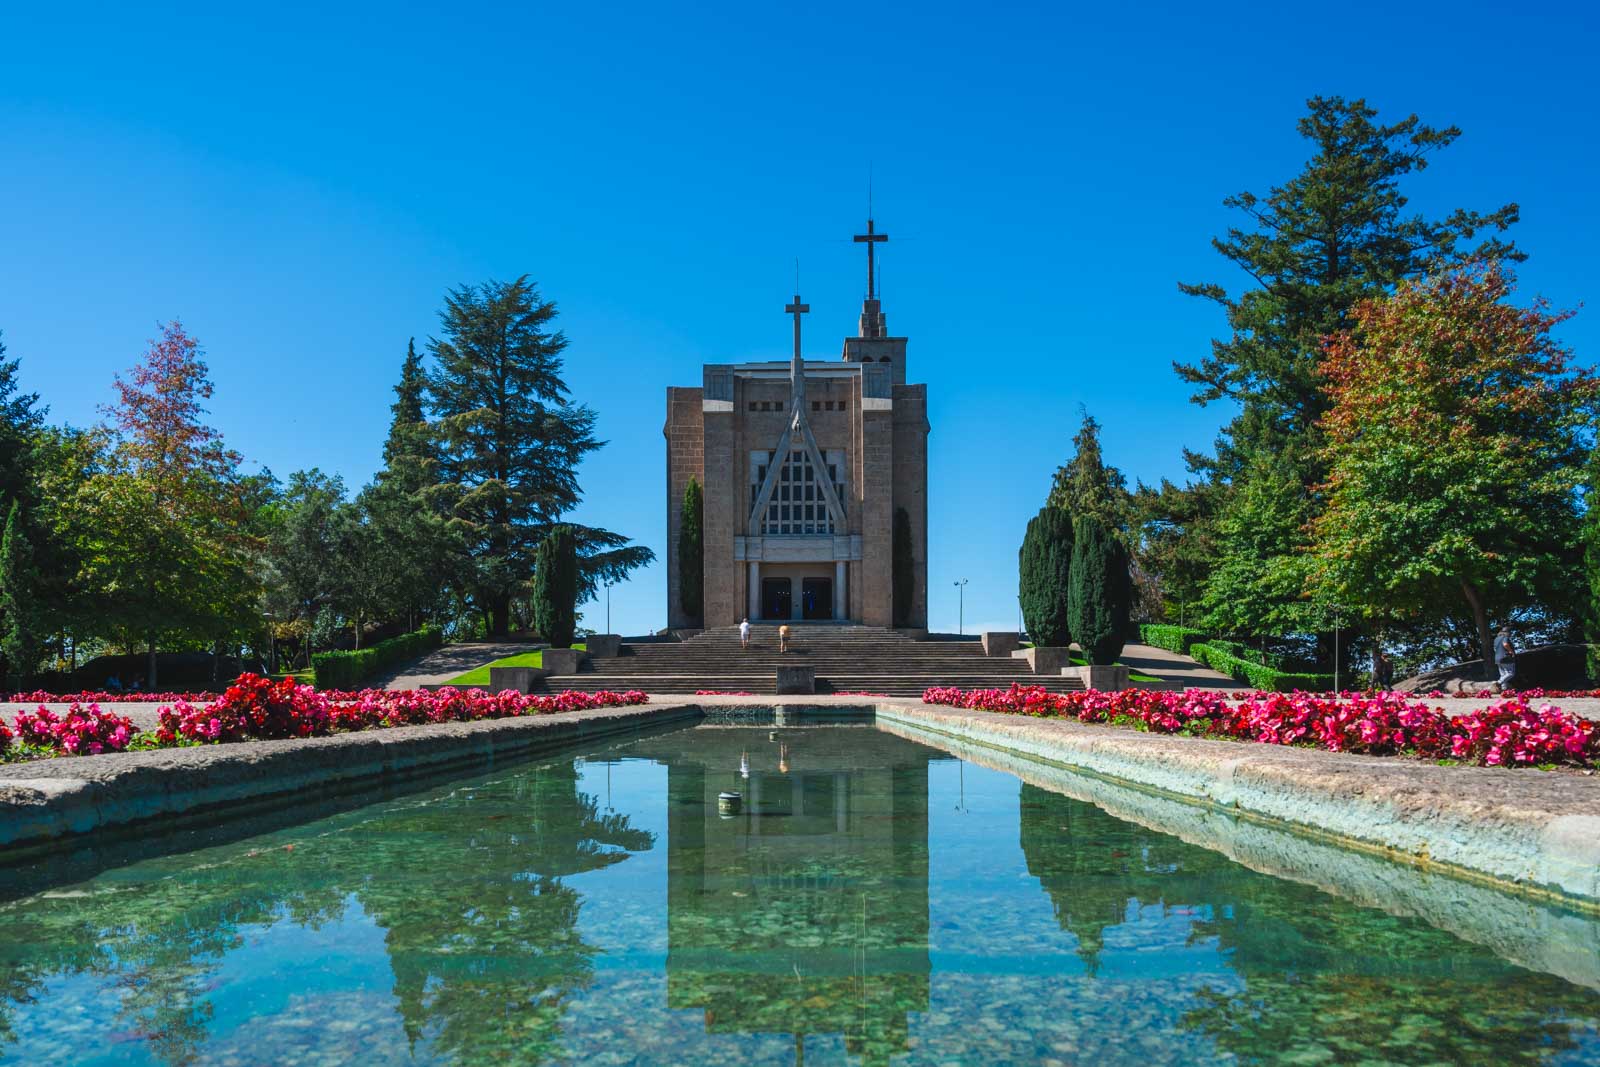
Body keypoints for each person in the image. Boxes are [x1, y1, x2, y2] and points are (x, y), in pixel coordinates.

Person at [1493, 626, 1517, 691]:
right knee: (1510, 673)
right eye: (1510, 632)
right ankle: (1498, 683)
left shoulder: (1496, 639)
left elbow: (1495, 649)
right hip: (1505, 657)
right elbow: (1505, 644)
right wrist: (1511, 651)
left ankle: (1504, 689)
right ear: (1507, 632)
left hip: (1497, 658)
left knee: (1503, 675)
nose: (1510, 634)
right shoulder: (1505, 637)